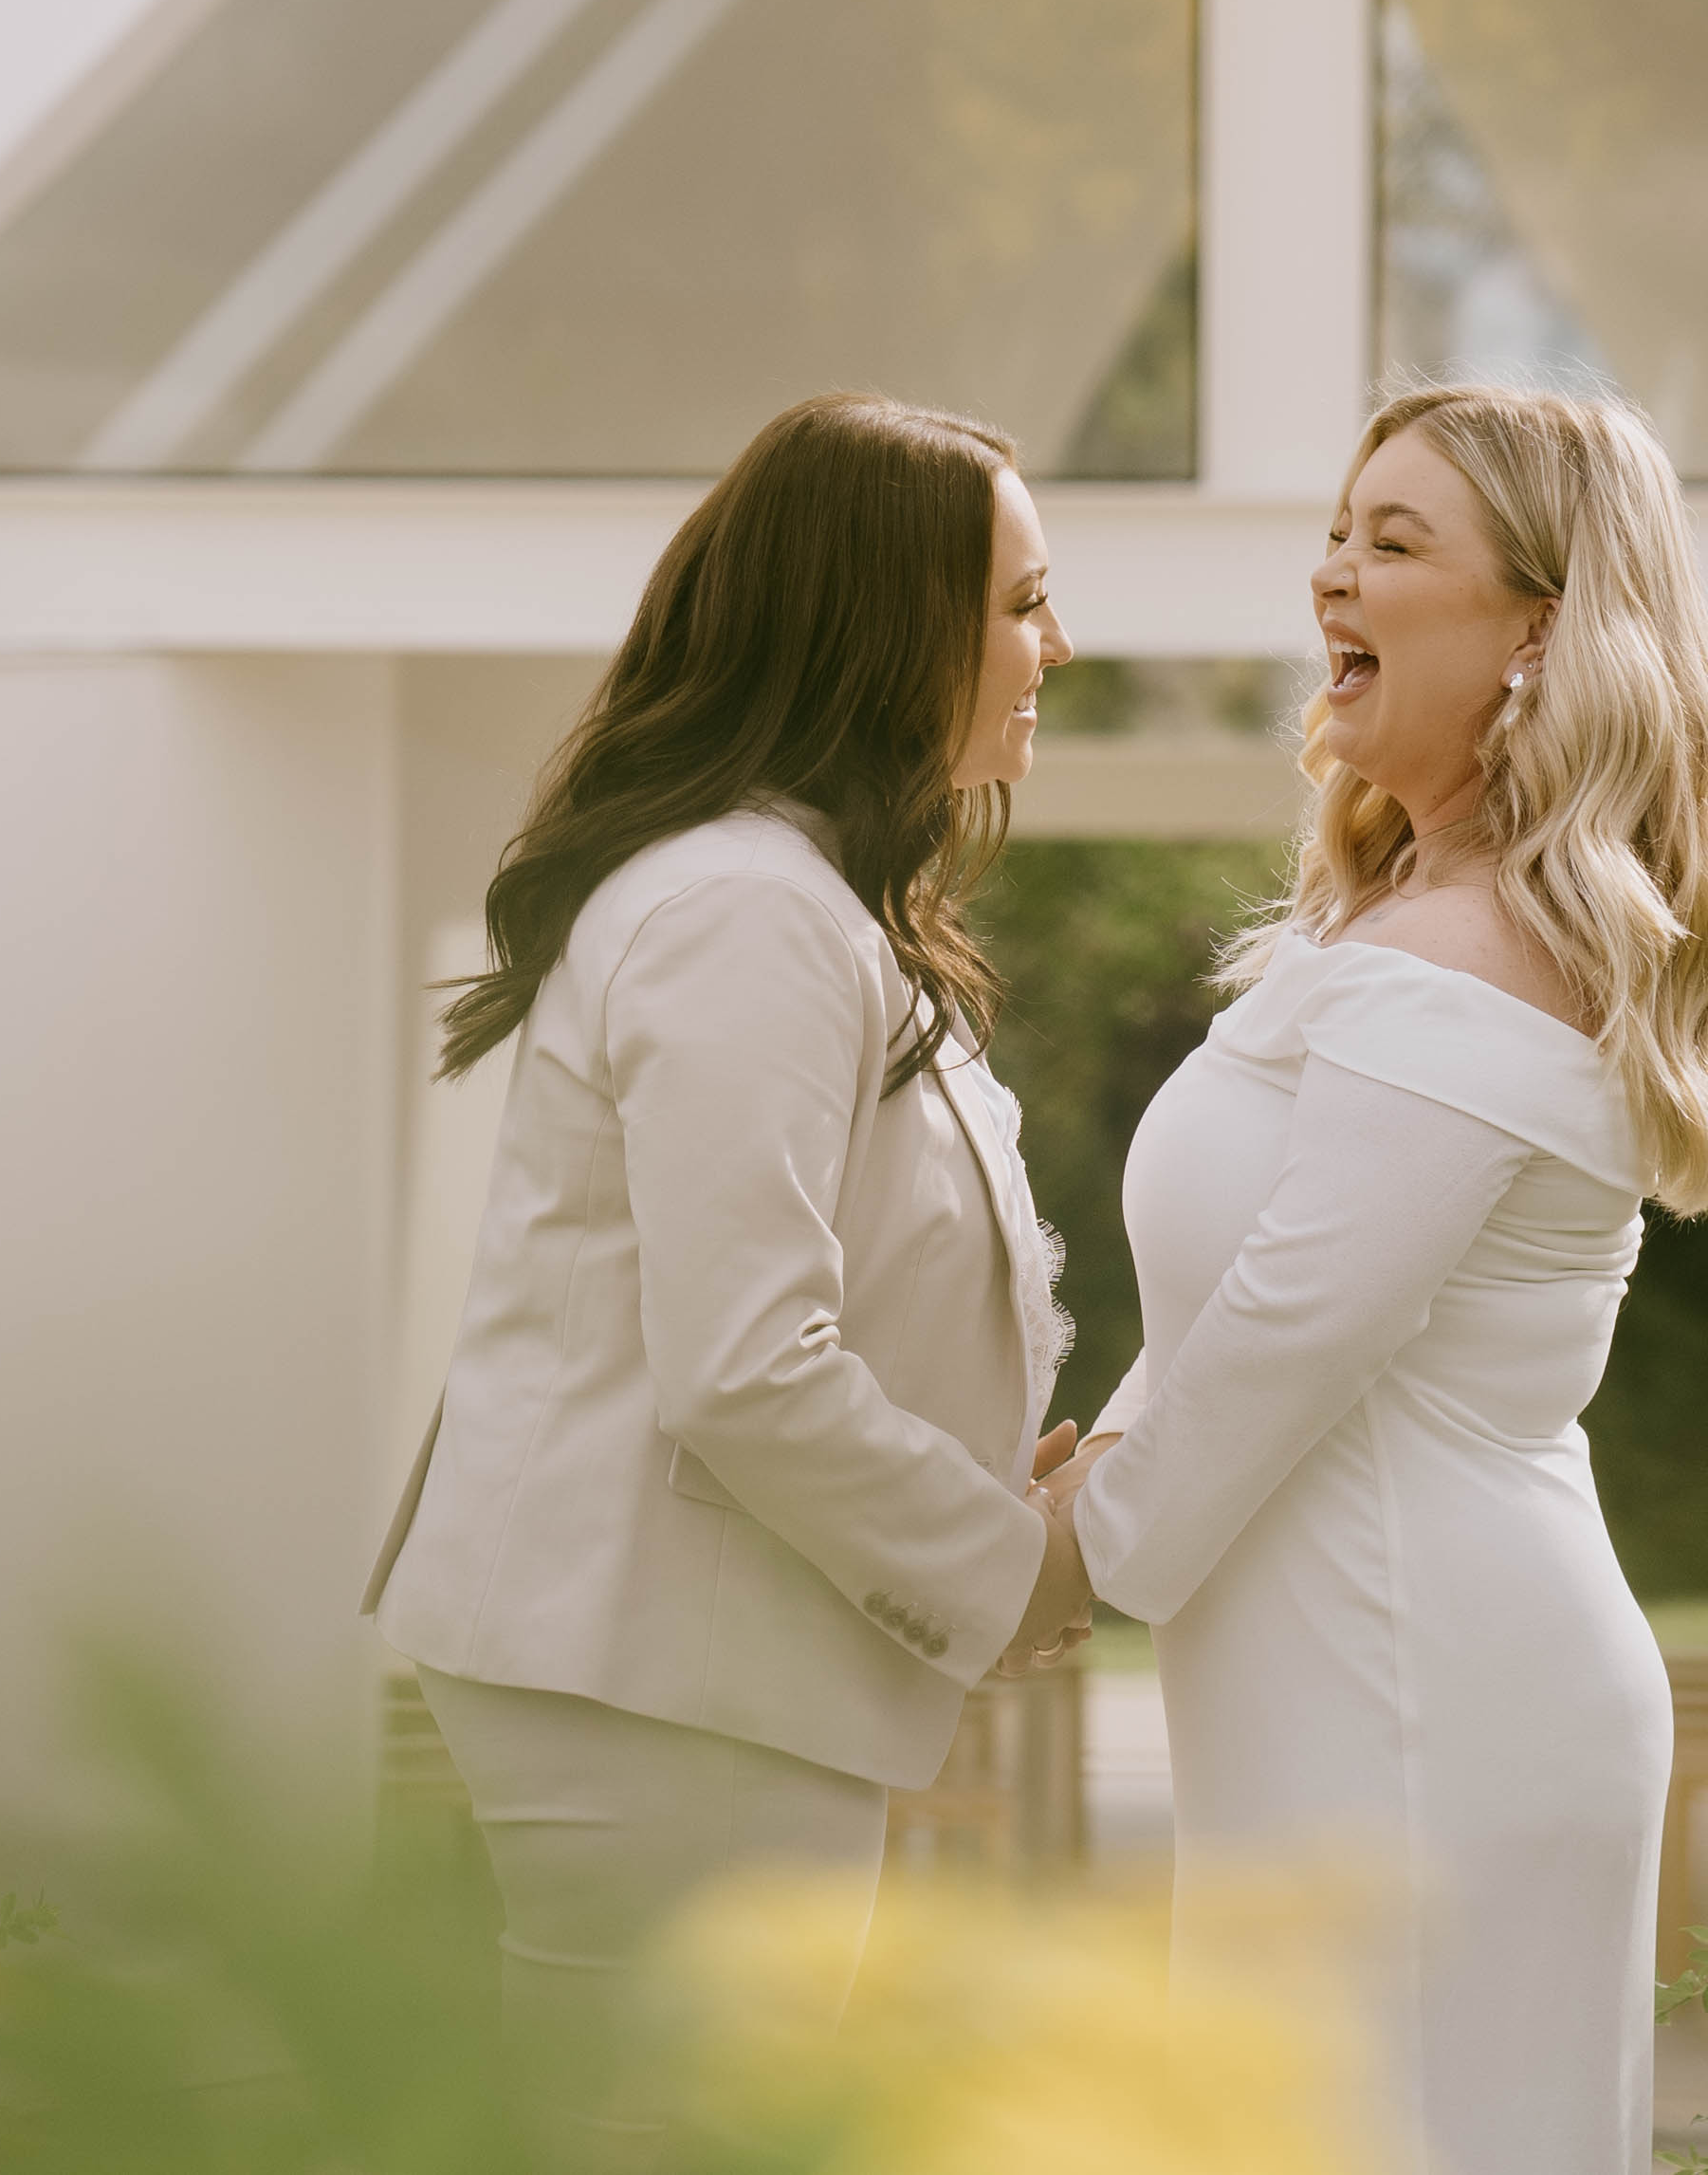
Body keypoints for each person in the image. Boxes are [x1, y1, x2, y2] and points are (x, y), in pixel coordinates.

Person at [1046, 384, 1708, 2171]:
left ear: (1542, 623)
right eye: (1333, 533)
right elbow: (1245, 1312)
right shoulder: (1396, 928)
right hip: (1352, 1668)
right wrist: (1091, 1478)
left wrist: (1048, 1564)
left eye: (1393, 545)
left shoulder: (1470, 955)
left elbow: (1294, 1332)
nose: (1330, 579)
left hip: (1420, 1692)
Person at [369, 391, 1098, 2122]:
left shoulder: (794, 903)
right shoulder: (745, 911)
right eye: (1016, 601)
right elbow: (745, 1362)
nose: (1052, 644)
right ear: (882, 623)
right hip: (656, 1679)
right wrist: (1007, 1565)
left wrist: (986, 1469)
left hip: (689, 1671)